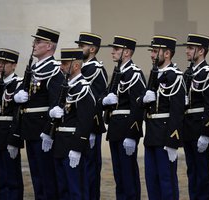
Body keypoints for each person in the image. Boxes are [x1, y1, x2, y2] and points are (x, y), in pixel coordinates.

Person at [13, 26, 63, 199]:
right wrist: (18, 96)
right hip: (30, 129)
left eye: (38, 41)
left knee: (48, 178)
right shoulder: (33, 69)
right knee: (37, 178)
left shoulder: (55, 69)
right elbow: (21, 94)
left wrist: (48, 131)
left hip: (43, 131)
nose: (34, 44)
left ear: (49, 46)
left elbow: (55, 104)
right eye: (35, 41)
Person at [138, 35, 185, 200]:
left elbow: (178, 111)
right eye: (152, 51)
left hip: (165, 135)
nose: (152, 55)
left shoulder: (175, 76)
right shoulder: (154, 74)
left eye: (155, 51)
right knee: (152, 180)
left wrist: (173, 141)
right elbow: (142, 101)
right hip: (151, 133)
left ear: (167, 54)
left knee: (167, 181)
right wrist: (143, 99)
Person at [102, 35, 146, 199]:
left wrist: (132, 135)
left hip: (126, 129)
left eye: (116, 49)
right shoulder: (117, 73)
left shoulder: (134, 74)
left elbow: (137, 107)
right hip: (114, 128)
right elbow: (104, 96)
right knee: (119, 175)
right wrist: (104, 101)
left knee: (128, 175)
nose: (112, 52)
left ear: (127, 52)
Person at [51, 48, 96, 199]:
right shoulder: (66, 86)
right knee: (63, 189)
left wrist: (77, 148)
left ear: (76, 66)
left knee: (76, 190)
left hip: (72, 144)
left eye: (64, 63)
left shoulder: (83, 88)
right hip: (60, 144)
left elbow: (85, 122)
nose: (61, 67)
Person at [182, 34, 209, 200]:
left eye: (191, 48)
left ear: (201, 51)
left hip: (200, 129)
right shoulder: (188, 73)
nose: (187, 51)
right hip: (188, 129)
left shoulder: (208, 74)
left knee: (203, 173)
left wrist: (206, 133)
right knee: (192, 172)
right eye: (187, 48)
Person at [75, 32, 108, 200]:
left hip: (90, 128)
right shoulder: (80, 68)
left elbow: (97, 100)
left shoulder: (96, 69)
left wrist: (93, 129)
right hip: (78, 126)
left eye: (82, 46)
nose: (79, 48)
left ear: (93, 49)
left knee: (90, 170)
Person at [0, 48, 24, 199]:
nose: (1, 66)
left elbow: (18, 114)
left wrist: (14, 139)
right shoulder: (1, 83)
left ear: (14, 65)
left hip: (10, 133)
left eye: (4, 63)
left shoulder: (18, 83)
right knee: (2, 177)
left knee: (12, 176)